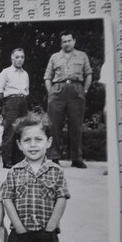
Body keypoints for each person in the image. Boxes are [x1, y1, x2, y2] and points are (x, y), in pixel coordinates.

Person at [44, 31, 92, 168]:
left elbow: (88, 74)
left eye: (69, 40)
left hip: (76, 90)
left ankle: (76, 158)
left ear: (74, 41)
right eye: (64, 41)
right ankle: (54, 157)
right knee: (54, 125)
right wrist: (51, 93)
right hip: (58, 90)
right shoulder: (55, 57)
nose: (67, 43)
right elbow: (47, 77)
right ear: (61, 43)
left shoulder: (82, 56)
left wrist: (85, 90)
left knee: (76, 125)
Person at [0, 48, 29, 168]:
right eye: (17, 57)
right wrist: (5, 106)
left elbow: (26, 90)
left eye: (22, 57)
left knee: (21, 130)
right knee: (10, 130)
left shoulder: (25, 74)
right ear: (12, 58)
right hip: (10, 101)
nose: (20, 60)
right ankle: (7, 160)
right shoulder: (6, 72)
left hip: (23, 101)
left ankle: (18, 159)